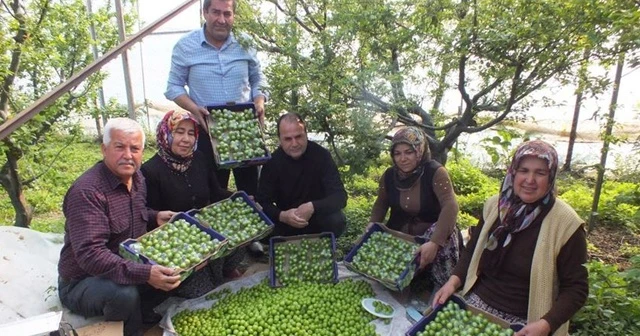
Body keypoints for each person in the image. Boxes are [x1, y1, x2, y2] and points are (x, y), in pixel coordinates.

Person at [433, 140, 588, 336]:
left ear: (551, 178)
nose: (530, 180)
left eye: (540, 173)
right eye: (523, 170)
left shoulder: (566, 224)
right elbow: (472, 250)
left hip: (527, 321)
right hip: (478, 303)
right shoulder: (495, 207)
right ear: (513, 172)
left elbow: (576, 288)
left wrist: (546, 324)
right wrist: (453, 282)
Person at [57, 118, 180, 336]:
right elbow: (90, 256)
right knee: (123, 294)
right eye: (120, 147)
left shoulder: (137, 178)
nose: (128, 155)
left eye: (135, 148)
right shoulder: (87, 192)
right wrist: (145, 273)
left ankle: (141, 310)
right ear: (104, 149)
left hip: (125, 261)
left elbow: (134, 213)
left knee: (174, 272)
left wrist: (154, 216)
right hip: (82, 280)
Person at [165, 0, 268, 196]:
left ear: (234, 16)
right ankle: (212, 224)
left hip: (243, 128)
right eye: (216, 12)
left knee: (253, 189)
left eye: (227, 14)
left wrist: (259, 100)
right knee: (210, 190)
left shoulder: (245, 43)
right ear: (205, 12)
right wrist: (194, 109)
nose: (221, 20)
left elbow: (257, 78)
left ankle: (255, 222)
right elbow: (173, 86)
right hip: (206, 129)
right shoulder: (186, 46)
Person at [141, 110, 241, 298]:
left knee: (239, 239)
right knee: (203, 293)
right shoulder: (151, 170)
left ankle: (220, 270)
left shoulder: (200, 159)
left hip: (207, 233)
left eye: (191, 133)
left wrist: (239, 198)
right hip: (176, 243)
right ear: (166, 133)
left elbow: (215, 192)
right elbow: (145, 214)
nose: (186, 139)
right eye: (179, 132)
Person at [369, 126, 460, 293]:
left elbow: (451, 206)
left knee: (443, 235)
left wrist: (434, 242)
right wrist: (371, 225)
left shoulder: (435, 172)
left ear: (419, 150)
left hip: (429, 234)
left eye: (408, 152)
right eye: (397, 153)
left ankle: (441, 286)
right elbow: (381, 203)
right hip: (400, 232)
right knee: (386, 274)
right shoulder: (390, 175)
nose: (402, 158)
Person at [257, 112, 347, 238]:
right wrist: (282, 215)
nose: (294, 144)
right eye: (288, 139)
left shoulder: (322, 156)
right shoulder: (272, 162)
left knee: (337, 220)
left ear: (306, 134)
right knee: (261, 225)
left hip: (317, 219)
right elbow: (262, 201)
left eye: (298, 136)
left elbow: (340, 197)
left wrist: (312, 207)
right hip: (286, 221)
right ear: (280, 139)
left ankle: (323, 242)